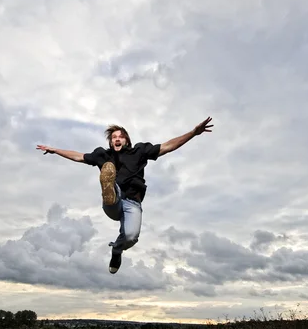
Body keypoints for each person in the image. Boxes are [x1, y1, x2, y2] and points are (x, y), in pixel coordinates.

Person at [36, 117, 213, 274]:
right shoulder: (103, 155)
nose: (117, 139)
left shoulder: (139, 151)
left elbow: (167, 146)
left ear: (126, 140)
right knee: (111, 183)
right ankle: (109, 188)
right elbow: (79, 157)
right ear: (111, 142)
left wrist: (193, 133)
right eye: (113, 138)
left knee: (131, 237)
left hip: (133, 204)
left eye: (120, 136)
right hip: (113, 202)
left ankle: (117, 251)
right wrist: (55, 150)